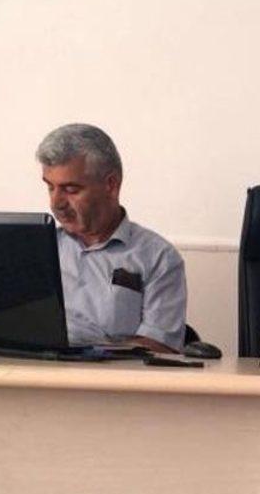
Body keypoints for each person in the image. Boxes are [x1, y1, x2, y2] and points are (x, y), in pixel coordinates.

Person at [36, 123, 187, 353]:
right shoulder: (39, 251)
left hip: (112, 374)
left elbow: (160, 346)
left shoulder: (158, 257)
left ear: (111, 185)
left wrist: (85, 352)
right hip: (34, 371)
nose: (56, 203)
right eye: (50, 188)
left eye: (71, 190)